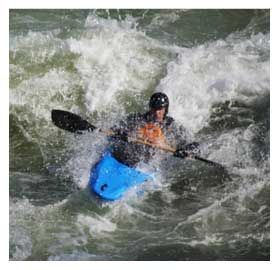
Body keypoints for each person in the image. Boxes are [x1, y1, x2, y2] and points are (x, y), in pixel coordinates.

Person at [110, 92, 200, 167]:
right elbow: (113, 129)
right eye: (154, 109)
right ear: (150, 108)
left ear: (165, 109)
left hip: (151, 163)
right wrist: (120, 133)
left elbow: (195, 146)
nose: (157, 113)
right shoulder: (137, 119)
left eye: (160, 109)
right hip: (130, 156)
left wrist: (184, 151)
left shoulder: (171, 126)